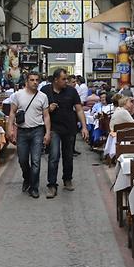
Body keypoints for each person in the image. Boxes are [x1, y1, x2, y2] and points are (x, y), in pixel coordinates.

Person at [44, 68, 88, 198]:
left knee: (68, 156)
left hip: (69, 128)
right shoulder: (45, 91)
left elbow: (79, 110)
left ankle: (67, 179)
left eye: (67, 79)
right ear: (56, 80)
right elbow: (38, 109)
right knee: (54, 156)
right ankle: (52, 185)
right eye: (63, 79)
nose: (66, 81)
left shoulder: (71, 91)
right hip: (53, 129)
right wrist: (48, 109)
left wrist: (84, 127)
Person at [6, 71, 51, 198]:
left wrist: (47, 133)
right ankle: (27, 178)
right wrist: (10, 129)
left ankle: (34, 187)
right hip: (22, 132)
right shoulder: (18, 95)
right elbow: (12, 113)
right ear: (27, 81)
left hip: (37, 130)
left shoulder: (43, 97)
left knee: (36, 161)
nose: (35, 82)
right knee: (23, 160)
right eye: (32, 80)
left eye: (37, 80)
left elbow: (46, 116)